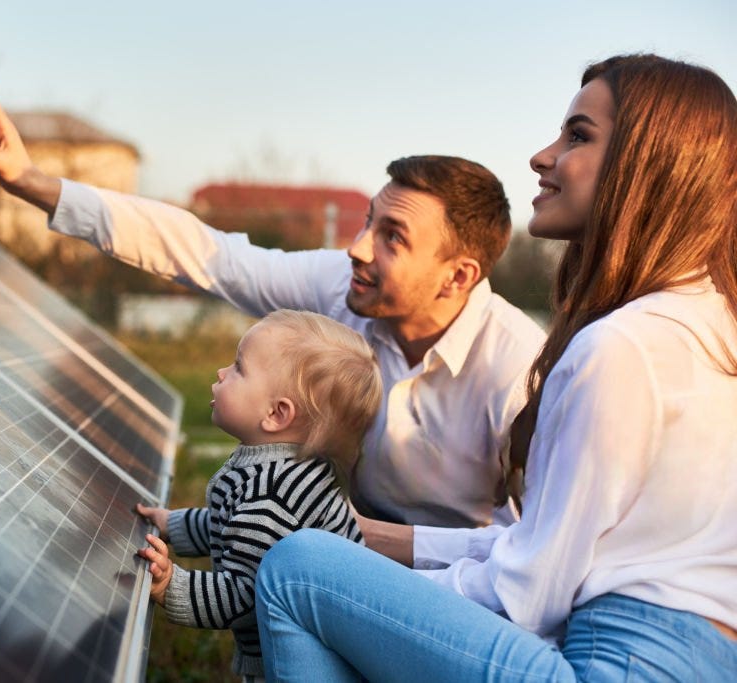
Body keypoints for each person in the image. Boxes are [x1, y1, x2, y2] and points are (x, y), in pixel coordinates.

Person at [253, 53, 737, 681]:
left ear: (649, 167)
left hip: (611, 665)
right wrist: (368, 540)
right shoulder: (712, 327)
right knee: (331, 560)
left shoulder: (622, 347)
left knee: (298, 570)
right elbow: (547, 543)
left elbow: (528, 595)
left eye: (578, 136)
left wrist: (366, 595)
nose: (543, 155)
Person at [0, 78, 547, 533]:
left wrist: (356, 541)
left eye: (393, 236)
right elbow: (208, 254)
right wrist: (33, 182)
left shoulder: (519, 370)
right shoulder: (344, 287)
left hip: (457, 593)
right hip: (347, 555)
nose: (357, 246)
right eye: (369, 220)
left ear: (457, 276)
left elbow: (532, 550)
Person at [133, 309, 382, 681]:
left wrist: (172, 586)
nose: (221, 373)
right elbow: (229, 523)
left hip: (296, 659)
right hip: (320, 641)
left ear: (276, 414)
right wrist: (173, 524)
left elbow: (243, 596)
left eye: (238, 368)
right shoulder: (280, 470)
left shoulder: (270, 498)